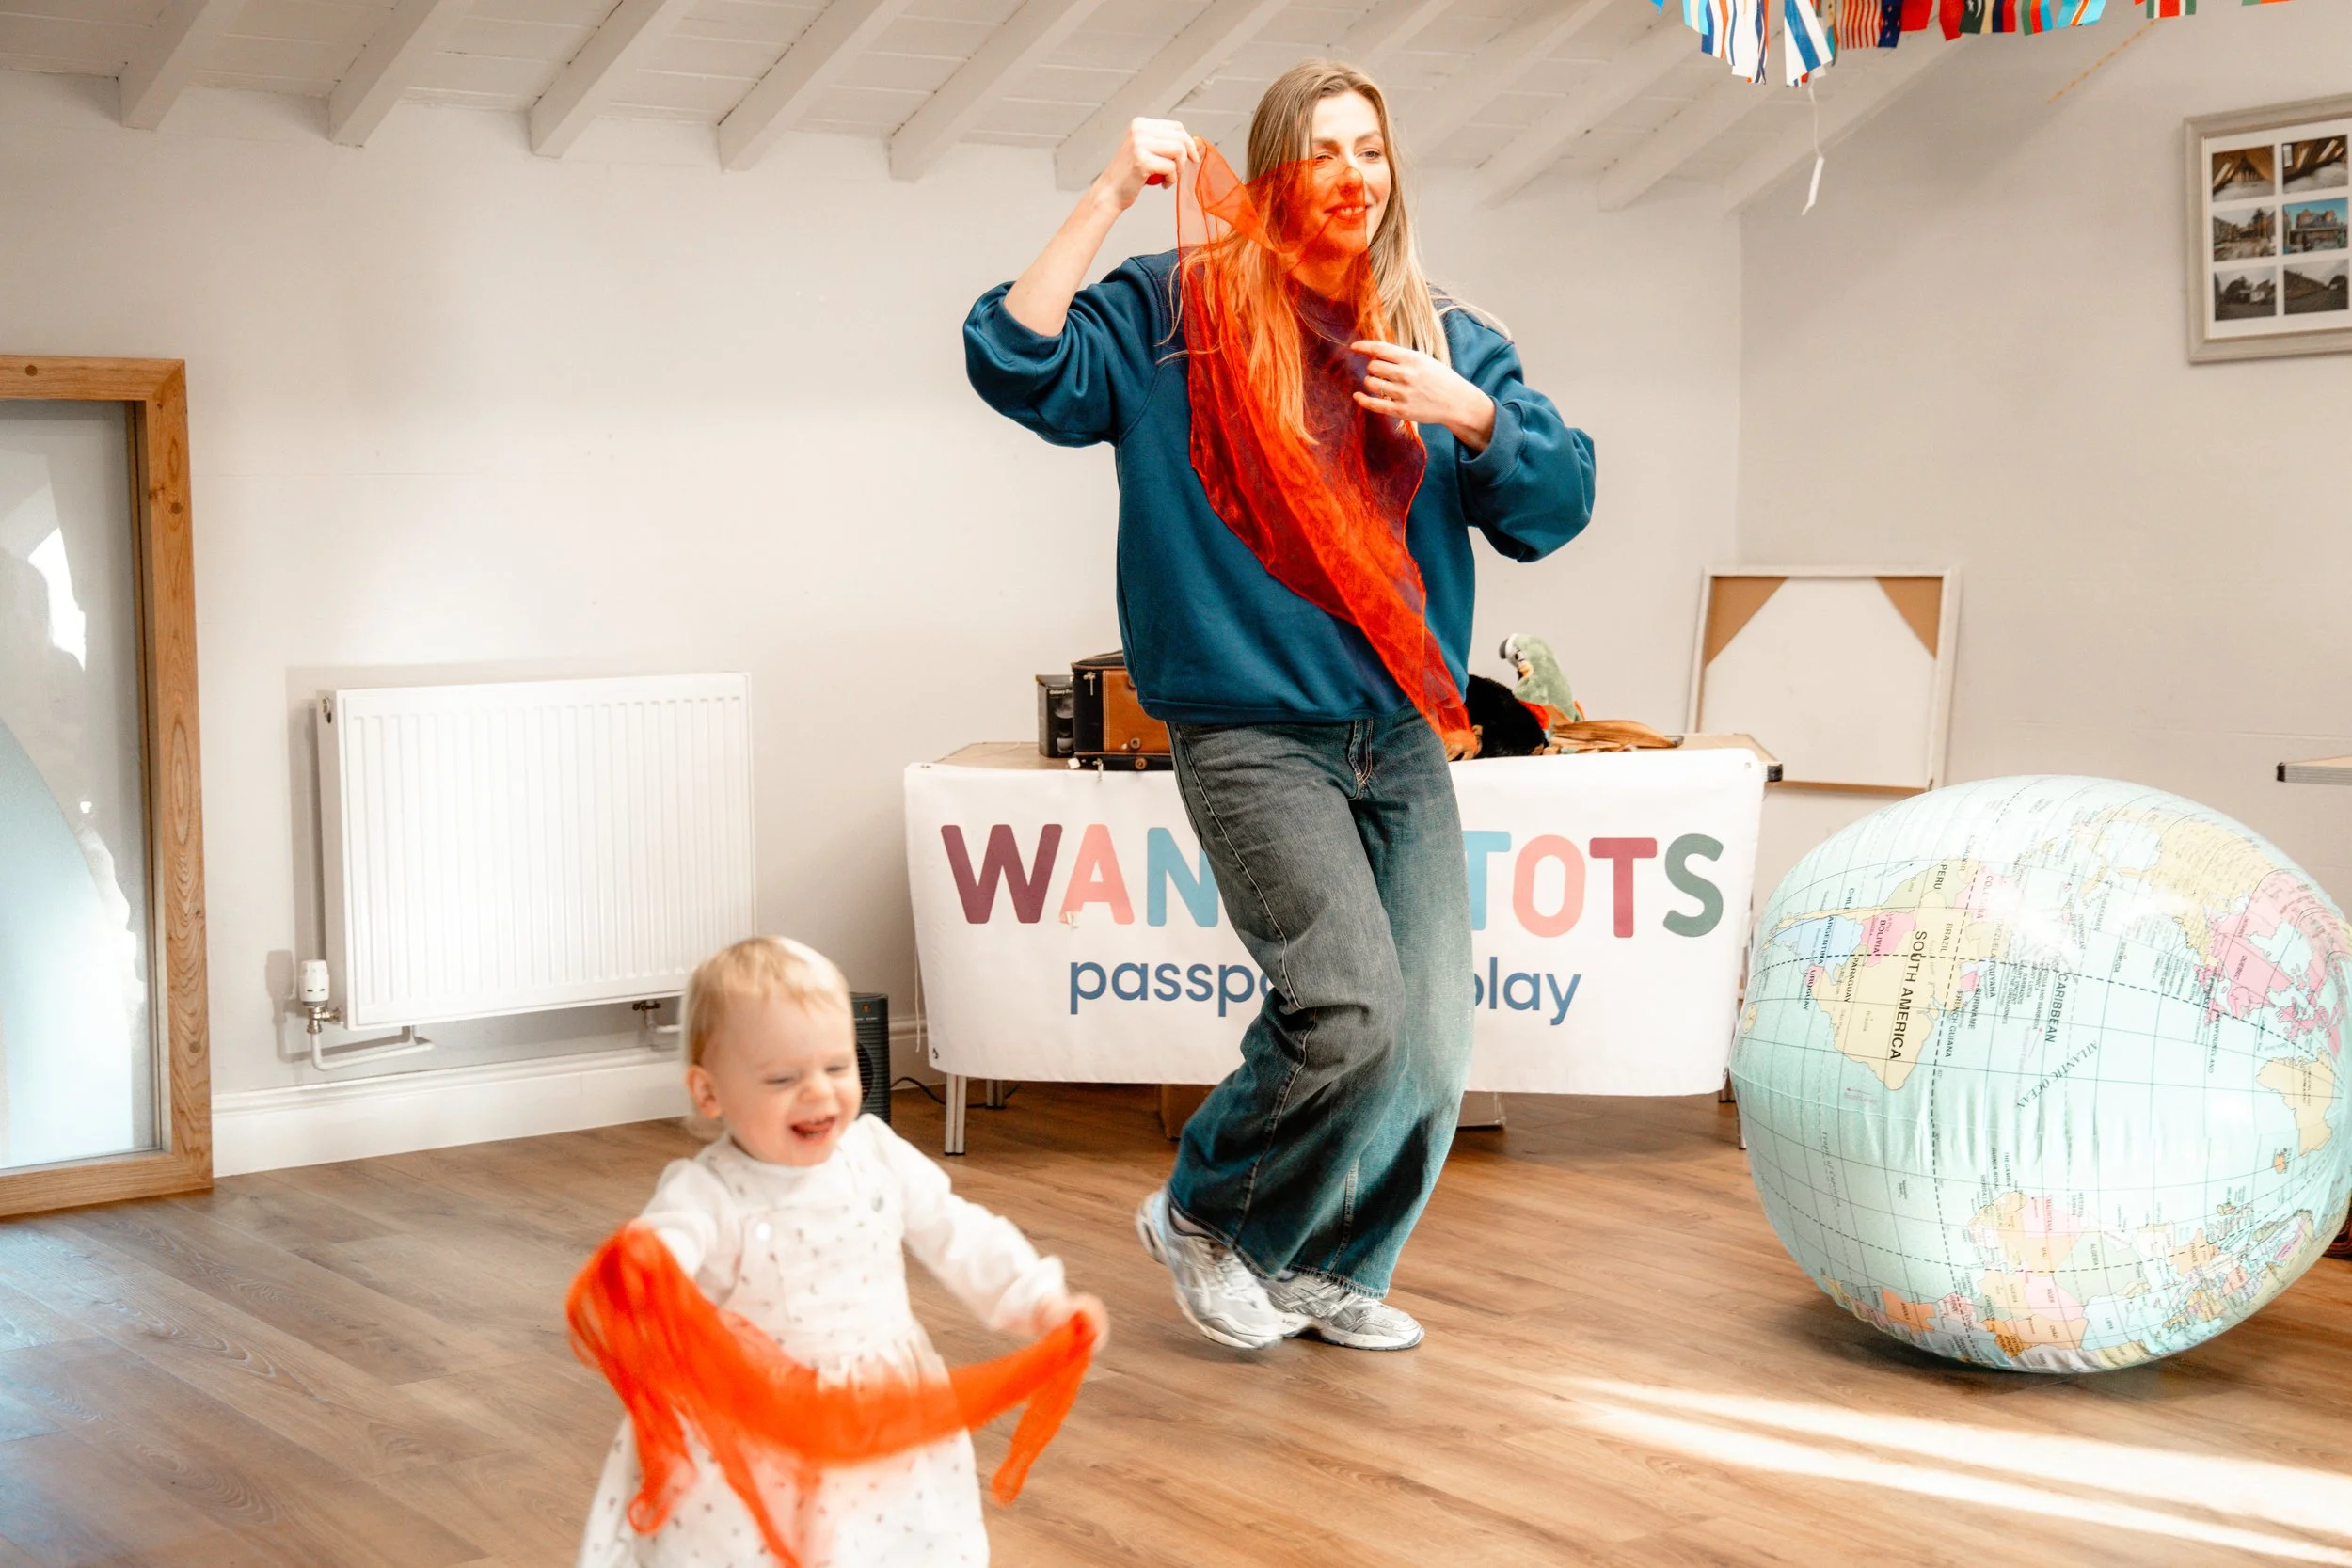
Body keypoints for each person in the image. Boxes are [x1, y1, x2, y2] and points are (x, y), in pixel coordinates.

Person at [963, 60, 1595, 1354]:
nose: (1353, 174)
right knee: (1350, 1002)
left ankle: (1322, 1264)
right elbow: (1015, 356)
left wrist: (1473, 418)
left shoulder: (1444, 336)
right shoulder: (1172, 315)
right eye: (1322, 151)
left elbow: (1560, 500)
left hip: (1401, 733)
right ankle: (1208, 1215)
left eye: (1371, 148)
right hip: (1250, 730)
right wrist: (1102, 194)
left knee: (1427, 1045)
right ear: (1270, 175)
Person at [577, 936, 1107, 1567]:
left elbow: (957, 1229)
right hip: (756, 1429)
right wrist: (644, 1259)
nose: (818, 1092)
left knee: (891, 1542)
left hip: (880, 1407)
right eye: (783, 1077)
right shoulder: (708, 1189)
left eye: (837, 1066)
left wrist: (1037, 1297)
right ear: (709, 1091)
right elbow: (666, 1241)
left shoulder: (875, 1151)